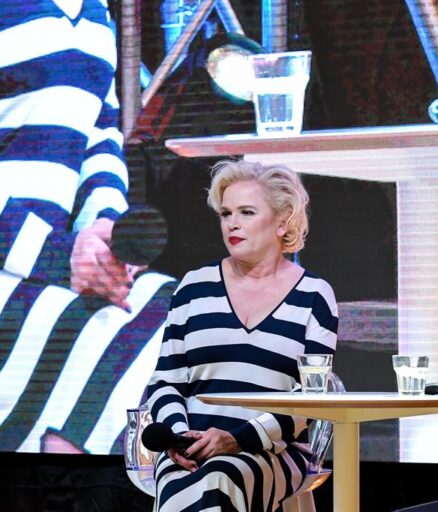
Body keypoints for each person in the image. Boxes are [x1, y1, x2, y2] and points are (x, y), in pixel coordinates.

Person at [0, 0, 175, 453]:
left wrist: (106, 233)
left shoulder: (96, 12)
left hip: (52, 265)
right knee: (106, 334)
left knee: (187, 317)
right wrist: (57, 256)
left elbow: (100, 138)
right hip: (22, 264)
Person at [146, 160, 338, 511]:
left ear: (283, 221)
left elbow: (313, 395)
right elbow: (165, 382)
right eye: (226, 213)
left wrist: (238, 439)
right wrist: (177, 436)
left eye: (246, 212)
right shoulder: (193, 287)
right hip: (191, 446)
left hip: (273, 447)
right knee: (195, 478)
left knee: (222, 475)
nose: (232, 223)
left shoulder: (314, 295)